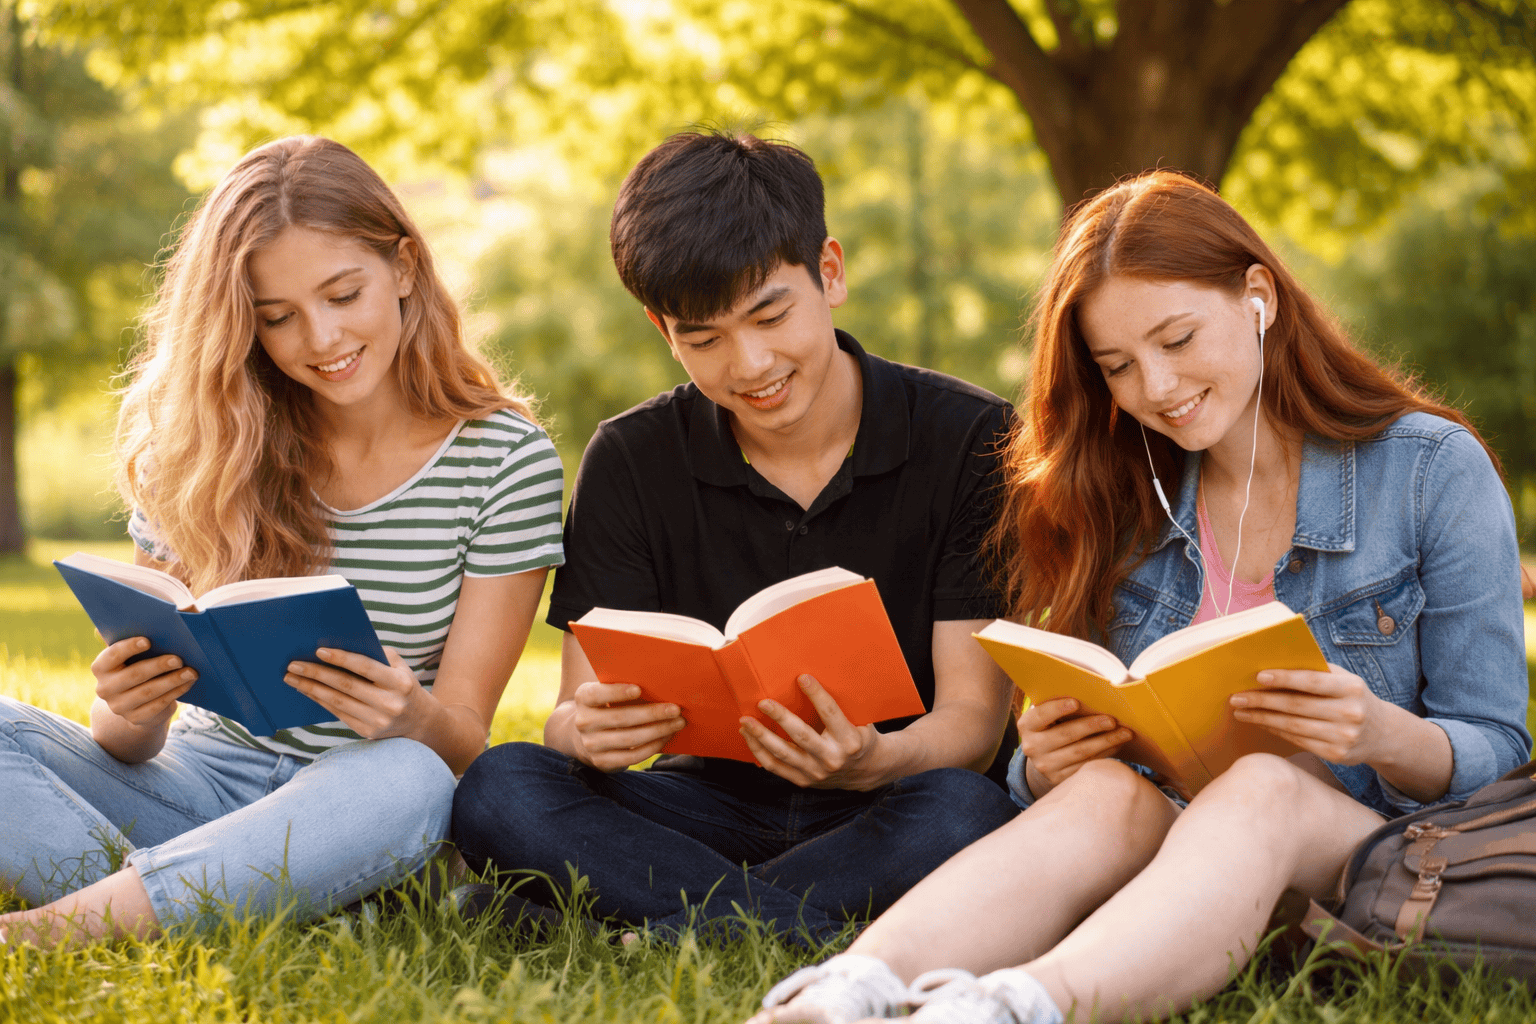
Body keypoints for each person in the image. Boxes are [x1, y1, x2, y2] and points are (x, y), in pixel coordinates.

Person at [748, 169, 1532, 1022]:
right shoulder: (1123, 498)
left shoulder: (1427, 471)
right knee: (1102, 792)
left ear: (1258, 297)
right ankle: (842, 993)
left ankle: (1013, 1009)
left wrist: (1382, 732)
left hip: (1363, 856)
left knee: (1262, 785)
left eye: (1179, 339)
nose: (1156, 388)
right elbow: (1076, 767)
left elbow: (1496, 749)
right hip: (1166, 873)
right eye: (1118, 365)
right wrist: (1044, 761)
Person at [450, 130, 1019, 944]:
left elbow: (973, 724)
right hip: (693, 809)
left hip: (893, 799)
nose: (749, 364)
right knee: (503, 786)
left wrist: (874, 761)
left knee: (971, 814)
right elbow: (571, 716)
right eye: (703, 339)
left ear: (829, 271)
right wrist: (590, 734)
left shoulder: (971, 438)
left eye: (769, 314)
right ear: (661, 328)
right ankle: (803, 931)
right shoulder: (631, 456)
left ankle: (641, 924)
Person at [0, 136, 564, 947]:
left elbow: (463, 741)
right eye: (278, 318)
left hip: (361, 796)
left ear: (404, 268)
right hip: (192, 781)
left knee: (412, 776)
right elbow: (125, 746)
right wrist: (130, 709)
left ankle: (71, 924)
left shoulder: (504, 460)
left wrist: (411, 714)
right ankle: (234, 900)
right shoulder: (200, 445)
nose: (322, 339)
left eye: (344, 295)